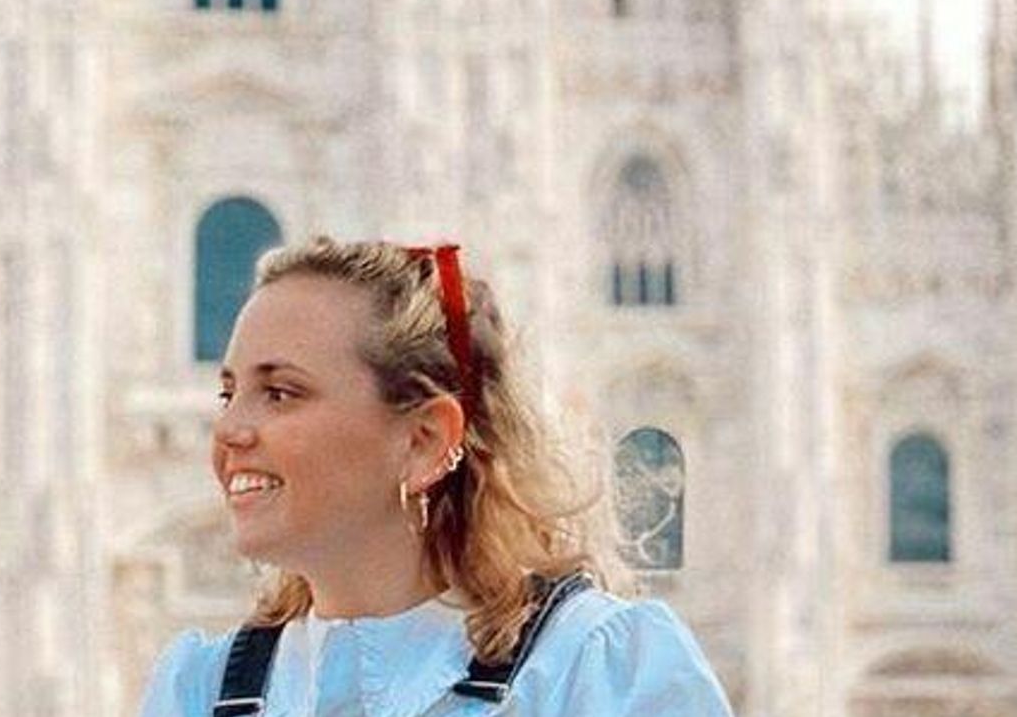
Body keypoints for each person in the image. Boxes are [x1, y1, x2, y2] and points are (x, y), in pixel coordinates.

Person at [140, 238, 732, 715]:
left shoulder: (594, 671)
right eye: (229, 393)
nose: (230, 430)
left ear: (423, 441)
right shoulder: (201, 690)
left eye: (280, 392)